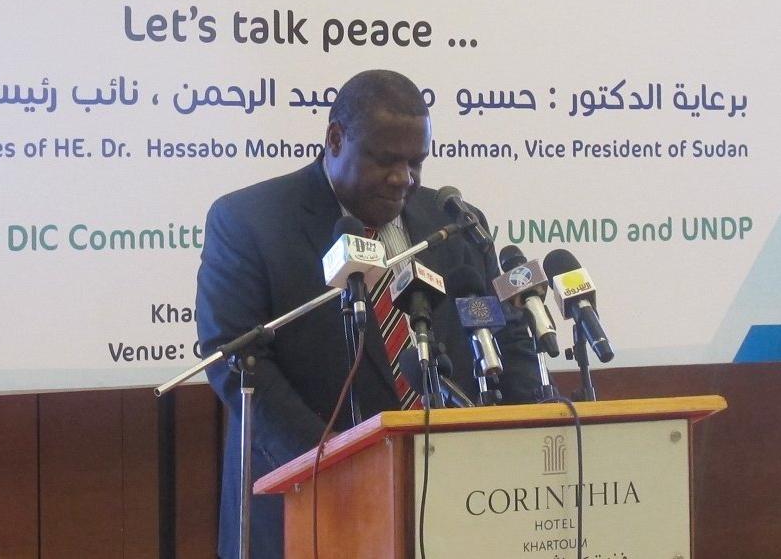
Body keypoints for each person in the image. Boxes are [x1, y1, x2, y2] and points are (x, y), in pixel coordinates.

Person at [196, 69, 539, 559]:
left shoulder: (451, 221)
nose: (403, 178)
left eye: (416, 162)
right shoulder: (251, 221)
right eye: (385, 160)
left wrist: (529, 430)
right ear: (335, 139)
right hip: (310, 501)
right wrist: (337, 459)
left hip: (449, 500)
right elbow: (235, 360)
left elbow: (496, 329)